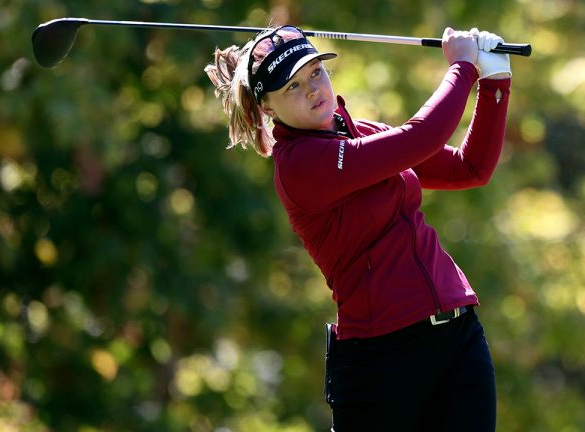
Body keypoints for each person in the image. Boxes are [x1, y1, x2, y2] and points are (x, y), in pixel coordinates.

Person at [205, 23, 511, 431]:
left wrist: (495, 82)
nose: (313, 89)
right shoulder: (299, 166)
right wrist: (463, 68)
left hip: (458, 337)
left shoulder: (361, 133)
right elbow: (421, 138)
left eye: (316, 72)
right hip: (382, 359)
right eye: (292, 87)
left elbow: (468, 168)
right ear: (268, 108)